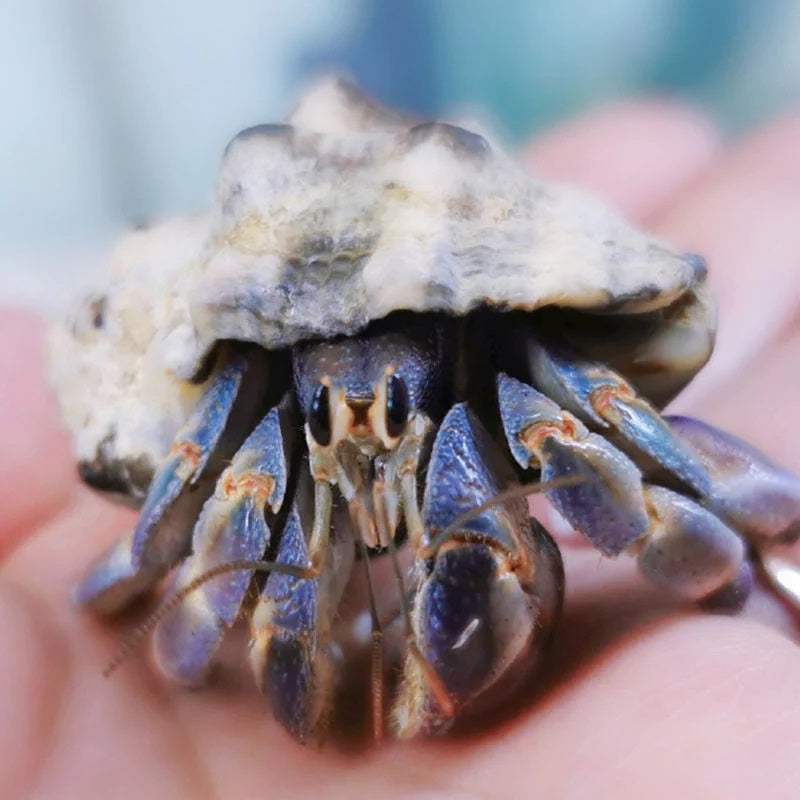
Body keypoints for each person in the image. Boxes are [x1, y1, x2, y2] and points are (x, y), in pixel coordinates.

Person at [2, 100, 799, 799]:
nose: (361, 438)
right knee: (250, 500)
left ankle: (742, 540)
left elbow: (600, 417)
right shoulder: (269, 404)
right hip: (283, 374)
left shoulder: (492, 373)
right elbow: (199, 480)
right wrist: (145, 576)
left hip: (478, 351)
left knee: (577, 427)